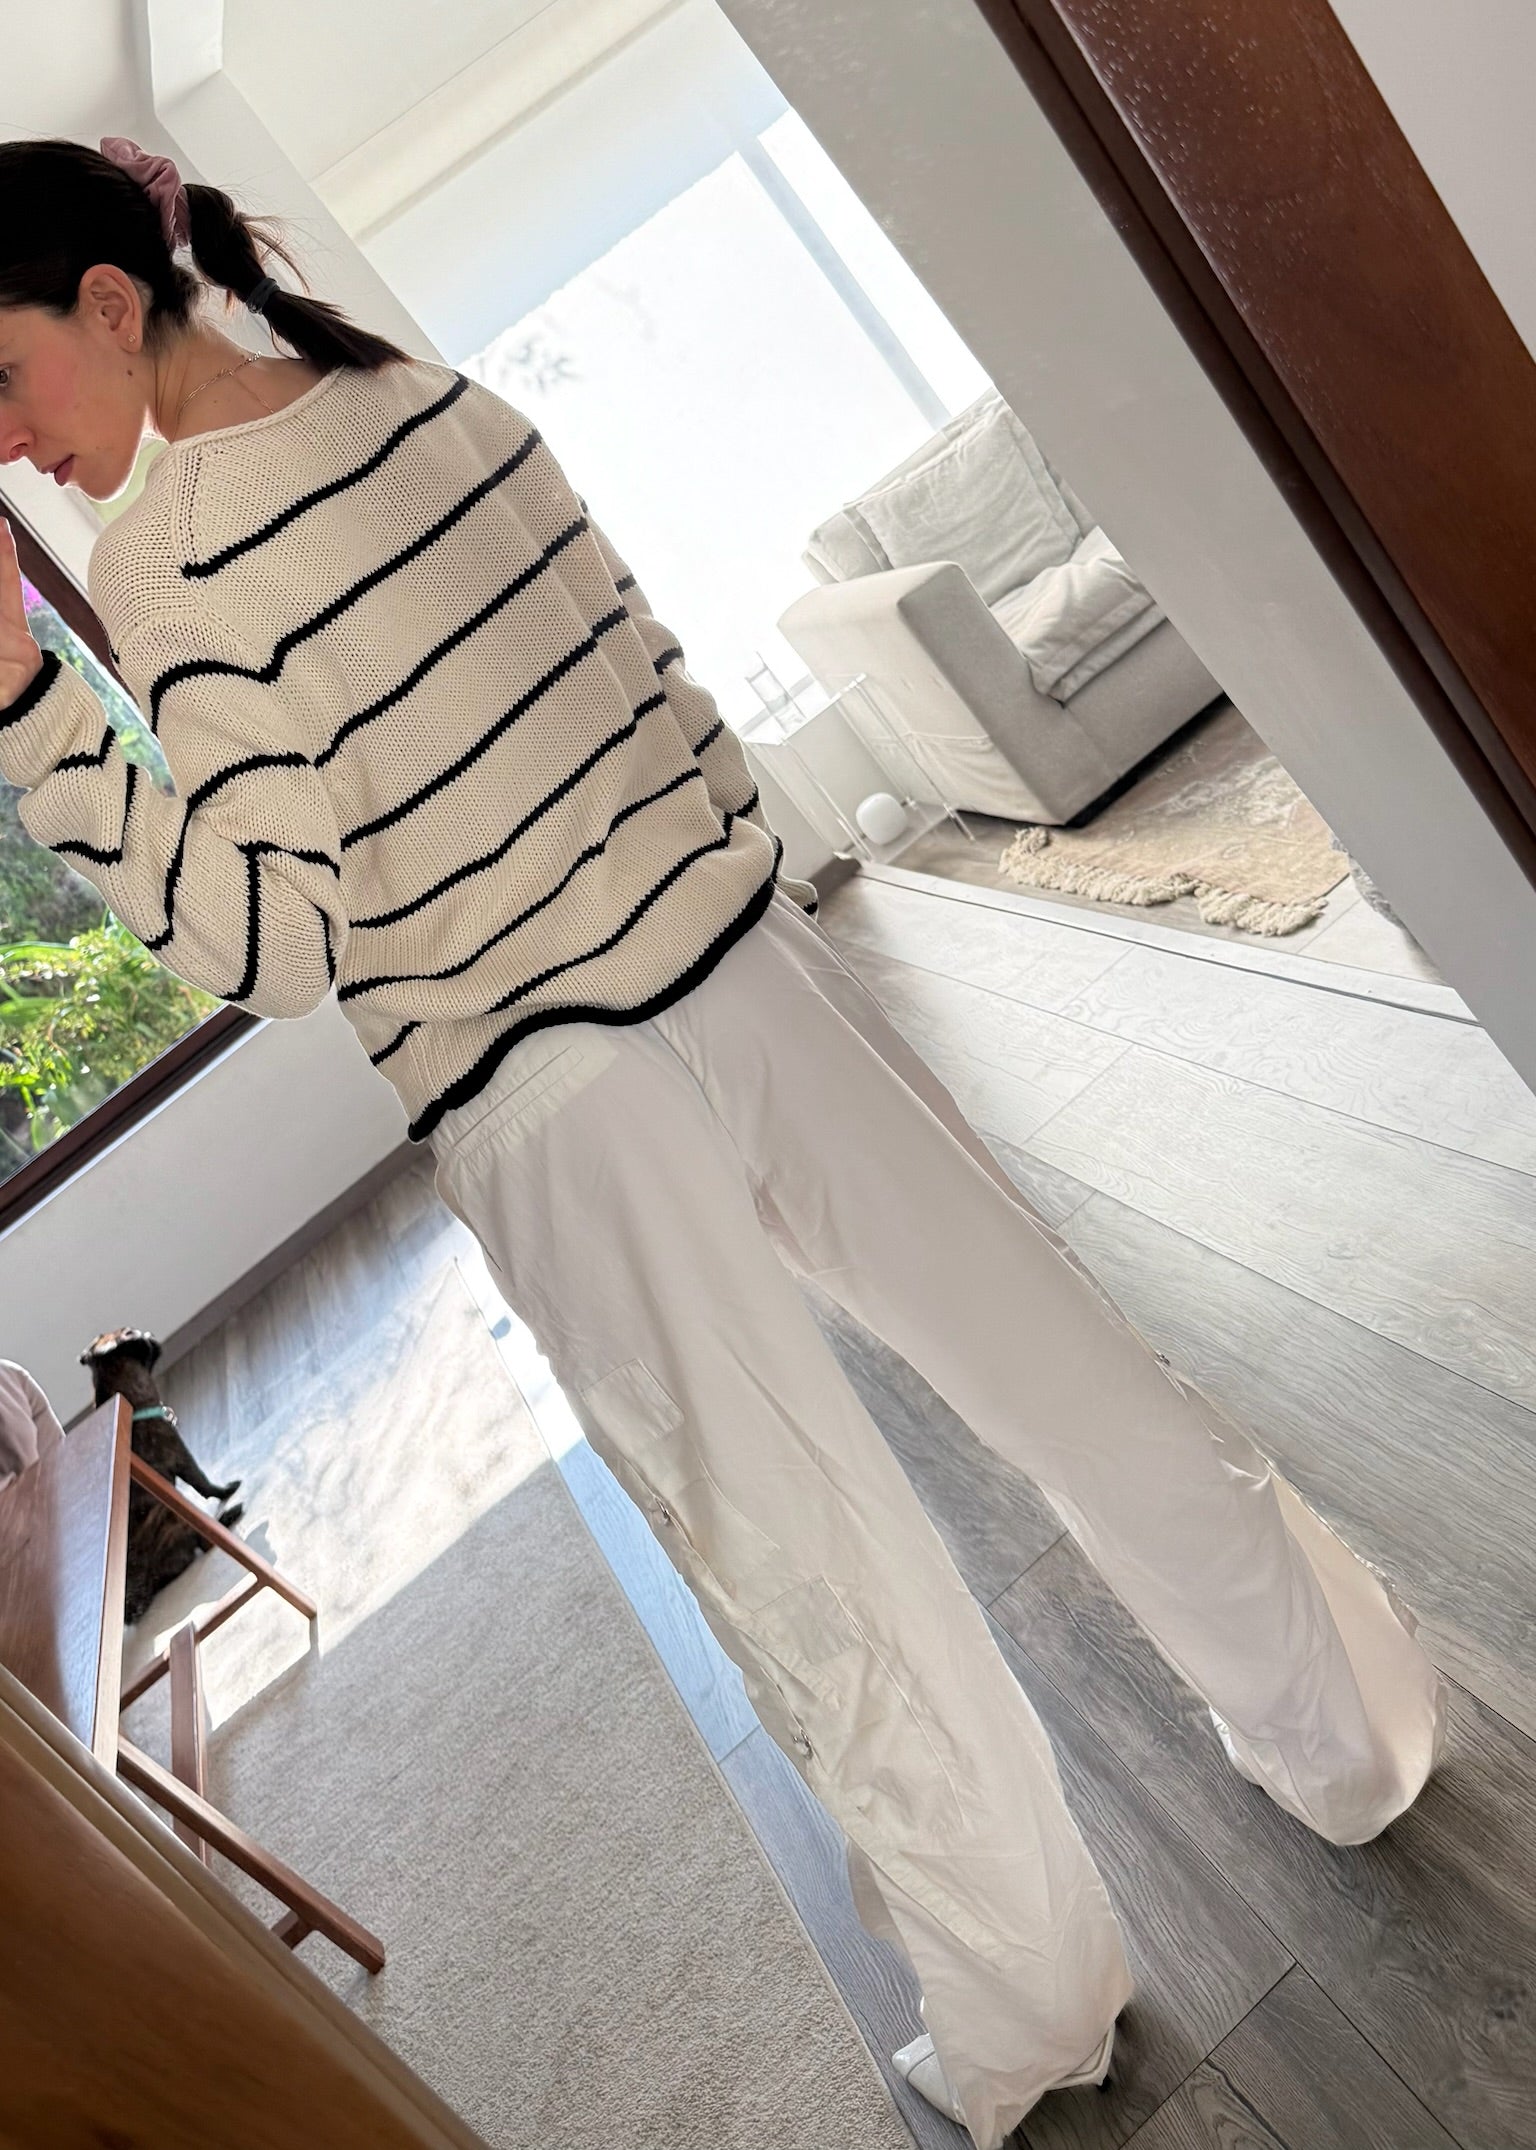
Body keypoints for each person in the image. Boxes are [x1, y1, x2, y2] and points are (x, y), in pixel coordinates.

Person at [0, 137, 1446, 2148]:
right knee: (1070, 1370)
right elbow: (664, 679)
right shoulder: (435, 403)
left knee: (820, 1570)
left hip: (554, 1107)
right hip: (752, 966)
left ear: (104, 300)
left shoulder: (171, 557)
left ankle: (1036, 2006)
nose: (10, 443)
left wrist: (26, 697)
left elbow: (274, 948)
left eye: (1, 382)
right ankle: (1354, 1733)